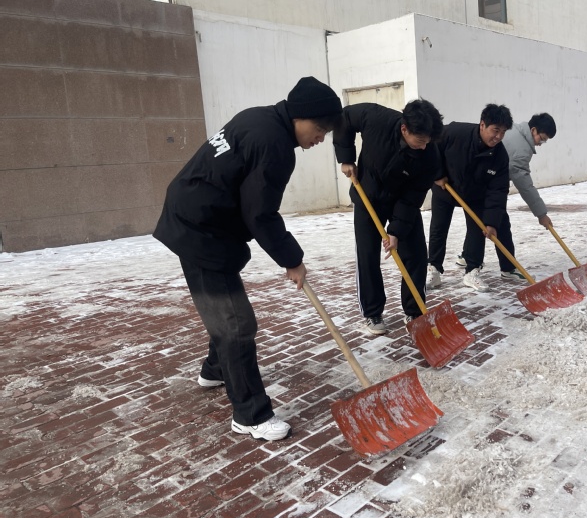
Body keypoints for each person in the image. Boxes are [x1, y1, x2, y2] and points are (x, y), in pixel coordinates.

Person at [153, 76, 343, 441]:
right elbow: (260, 214)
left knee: (226, 313)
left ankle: (215, 370)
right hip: (198, 230)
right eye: (319, 129)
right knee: (236, 325)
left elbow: (248, 201)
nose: (320, 139)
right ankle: (250, 415)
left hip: (202, 218)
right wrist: (292, 259)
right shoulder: (274, 144)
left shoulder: (259, 118)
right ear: (299, 117)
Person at [334, 100, 444, 335]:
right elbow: (344, 118)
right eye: (420, 140)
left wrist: (395, 230)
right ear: (405, 129)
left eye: (428, 141)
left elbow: (413, 196)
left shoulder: (430, 154)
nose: (424, 146)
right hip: (368, 194)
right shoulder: (376, 118)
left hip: (402, 201)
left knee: (415, 254)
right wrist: (346, 157)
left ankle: (415, 311)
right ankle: (372, 313)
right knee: (368, 254)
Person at [454, 113, 557, 281]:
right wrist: (541, 214)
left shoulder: (513, 130)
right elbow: (524, 185)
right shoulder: (522, 150)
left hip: (476, 184)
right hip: (488, 188)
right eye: (542, 139)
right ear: (533, 130)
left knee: (478, 222)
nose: (540, 143)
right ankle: (507, 268)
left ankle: (466, 256)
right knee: (499, 224)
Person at [426, 104, 512, 293]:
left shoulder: (500, 156)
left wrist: (492, 222)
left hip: (475, 195)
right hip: (445, 188)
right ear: (482, 125)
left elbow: (498, 190)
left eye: (503, 132)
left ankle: (472, 271)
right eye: (495, 130)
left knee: (477, 230)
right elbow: (431, 147)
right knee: (438, 228)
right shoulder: (455, 133)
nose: (498, 136)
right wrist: (437, 174)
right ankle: (434, 269)